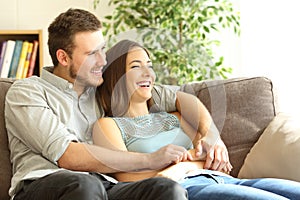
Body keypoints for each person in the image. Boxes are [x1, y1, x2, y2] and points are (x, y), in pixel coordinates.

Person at [5, 8, 191, 200]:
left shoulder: (103, 89)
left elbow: (179, 96)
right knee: (85, 185)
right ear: (63, 58)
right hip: (44, 184)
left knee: (165, 188)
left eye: (102, 49)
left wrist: (211, 138)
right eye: (92, 53)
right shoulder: (27, 92)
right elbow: (67, 155)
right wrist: (149, 160)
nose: (103, 61)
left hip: (104, 185)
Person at [94, 39, 300, 200]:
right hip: (187, 190)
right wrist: (191, 162)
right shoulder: (109, 125)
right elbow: (130, 180)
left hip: (226, 180)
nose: (148, 73)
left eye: (150, 65)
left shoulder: (175, 116)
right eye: (136, 66)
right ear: (117, 76)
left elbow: (213, 162)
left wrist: (187, 164)